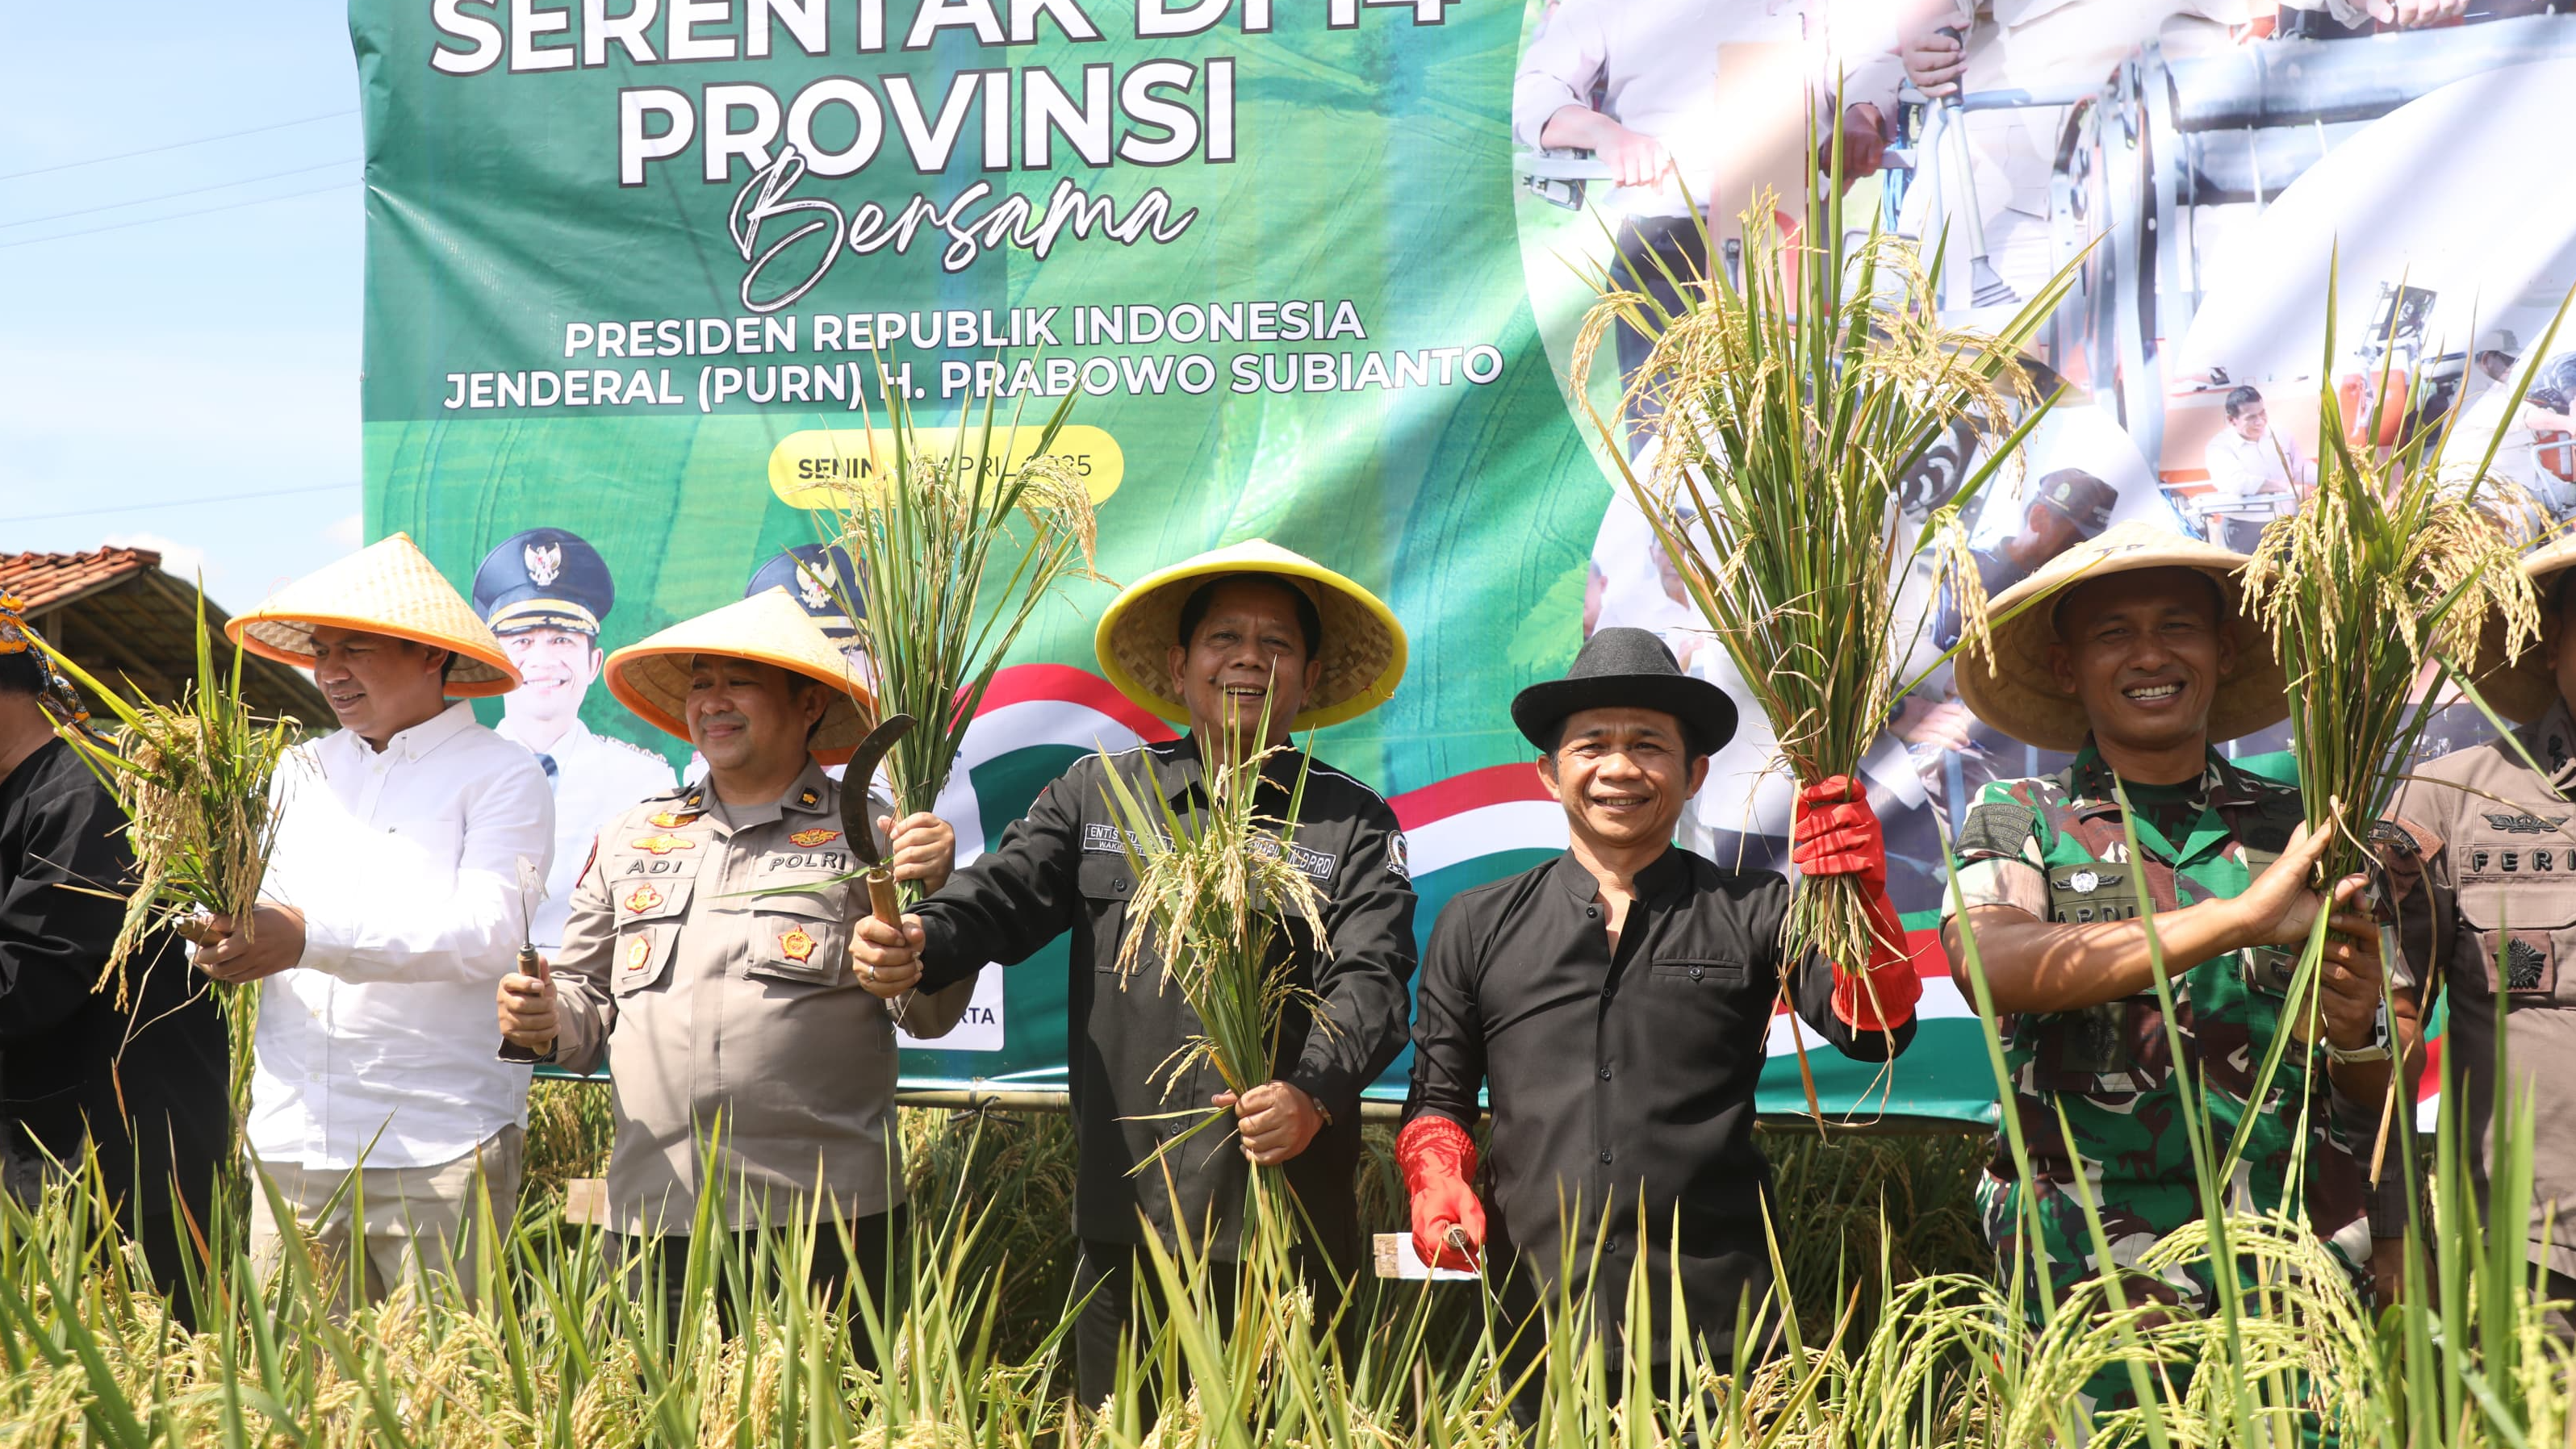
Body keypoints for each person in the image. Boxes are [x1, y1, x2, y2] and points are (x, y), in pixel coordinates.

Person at [848, 539, 1419, 1412]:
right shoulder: (1099, 794)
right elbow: (1001, 898)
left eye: (1277, 645)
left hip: (1287, 1231)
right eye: (1225, 636)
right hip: (1128, 1228)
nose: (1249, 659)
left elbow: (1373, 986)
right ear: (1179, 665)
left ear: (1307, 680)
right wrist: (922, 935)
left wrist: (1310, 1093)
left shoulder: (1352, 822)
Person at [1942, 522, 2411, 1409]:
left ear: (2223, 649)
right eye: (2113, 632)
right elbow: (1988, 958)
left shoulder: (2310, 821)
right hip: (2087, 1279)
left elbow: (2384, 1073)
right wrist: (2235, 920)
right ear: (2064, 663)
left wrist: (2355, 1035)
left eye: (2178, 626)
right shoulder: (2021, 814)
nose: (2150, 653)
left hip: (2296, 1271)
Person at [1398, 627, 1919, 1409]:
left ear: (1694, 771)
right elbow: (1438, 1099)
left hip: (1720, 1341)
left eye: (1648, 744)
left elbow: (1875, 1027)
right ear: (1549, 770)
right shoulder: (1477, 923)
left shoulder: (1758, 910)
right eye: (1592, 745)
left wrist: (1865, 903)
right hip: (1533, 1334)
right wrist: (1435, 1175)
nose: (1618, 767)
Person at [492, 587, 969, 1350]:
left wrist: (932, 899)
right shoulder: (632, 836)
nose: (712, 701)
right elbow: (585, 1009)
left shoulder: (877, 832)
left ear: (808, 703)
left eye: (737, 681)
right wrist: (544, 1020)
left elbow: (932, 1013)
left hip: (826, 1223)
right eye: (700, 682)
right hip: (655, 1216)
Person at [198, 532, 554, 1308]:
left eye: (355, 648)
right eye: (322, 651)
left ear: (431, 655)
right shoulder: (302, 770)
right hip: (294, 1140)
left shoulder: (502, 774)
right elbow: (267, 908)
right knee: (292, 1405)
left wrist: (307, 937)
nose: (330, 672)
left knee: (450, 1408)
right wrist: (226, 931)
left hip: (439, 1143)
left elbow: (487, 931)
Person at [0, 597, 228, 1322]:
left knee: (136, 1381)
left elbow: (25, 984)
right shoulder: (23, 791)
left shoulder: (88, 793)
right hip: (41, 1148)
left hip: (110, 1160)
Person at [2387, 535, 2576, 1334]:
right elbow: (2379, 1023)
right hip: (2532, 1264)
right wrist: (2396, 1225)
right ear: (2553, 637)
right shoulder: (2444, 797)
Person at [1512, 0, 1847, 449]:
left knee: (1804, 449)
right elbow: (1536, 92)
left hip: (1785, 234)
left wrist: (1866, 111)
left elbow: (1865, 56)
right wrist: (1606, 136)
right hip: (1665, 243)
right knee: (1667, 455)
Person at [474, 527, 675, 948]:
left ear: (594, 663)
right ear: (495, 660)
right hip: (465, 1003)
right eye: (523, 640)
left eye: (563, 640)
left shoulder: (646, 784)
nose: (544, 659)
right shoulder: (453, 770)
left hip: (595, 999)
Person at [1934, 467, 2118, 650]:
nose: (2078, 552)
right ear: (2038, 518)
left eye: (2087, 545)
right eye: (2074, 540)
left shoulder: (2063, 598)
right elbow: (1959, 653)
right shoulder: (1965, 565)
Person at [2204, 385, 2315, 511]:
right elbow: (2237, 482)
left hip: (2287, 520)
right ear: (2231, 420)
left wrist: (2332, 478)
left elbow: (2300, 469)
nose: (2260, 422)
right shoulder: (2219, 446)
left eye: (2262, 414)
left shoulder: (2280, 434)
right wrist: (2287, 487)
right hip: (2245, 525)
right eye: (2251, 418)